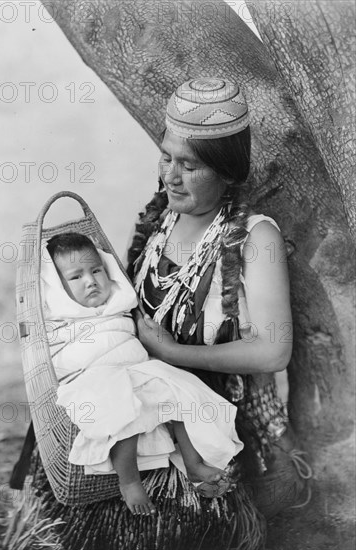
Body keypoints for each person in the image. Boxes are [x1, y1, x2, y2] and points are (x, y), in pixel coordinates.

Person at [128, 77, 298, 509]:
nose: (171, 176)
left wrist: (174, 354)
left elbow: (273, 352)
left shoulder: (255, 238)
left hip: (217, 414)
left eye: (189, 166)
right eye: (166, 157)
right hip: (151, 397)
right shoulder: (162, 220)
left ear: (226, 172)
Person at [41, 231, 243, 516]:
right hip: (94, 381)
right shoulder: (58, 317)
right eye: (75, 277)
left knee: (182, 389)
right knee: (122, 409)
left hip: (138, 370)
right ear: (57, 288)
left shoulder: (119, 304)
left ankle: (194, 463)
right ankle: (130, 481)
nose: (91, 281)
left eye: (97, 270)